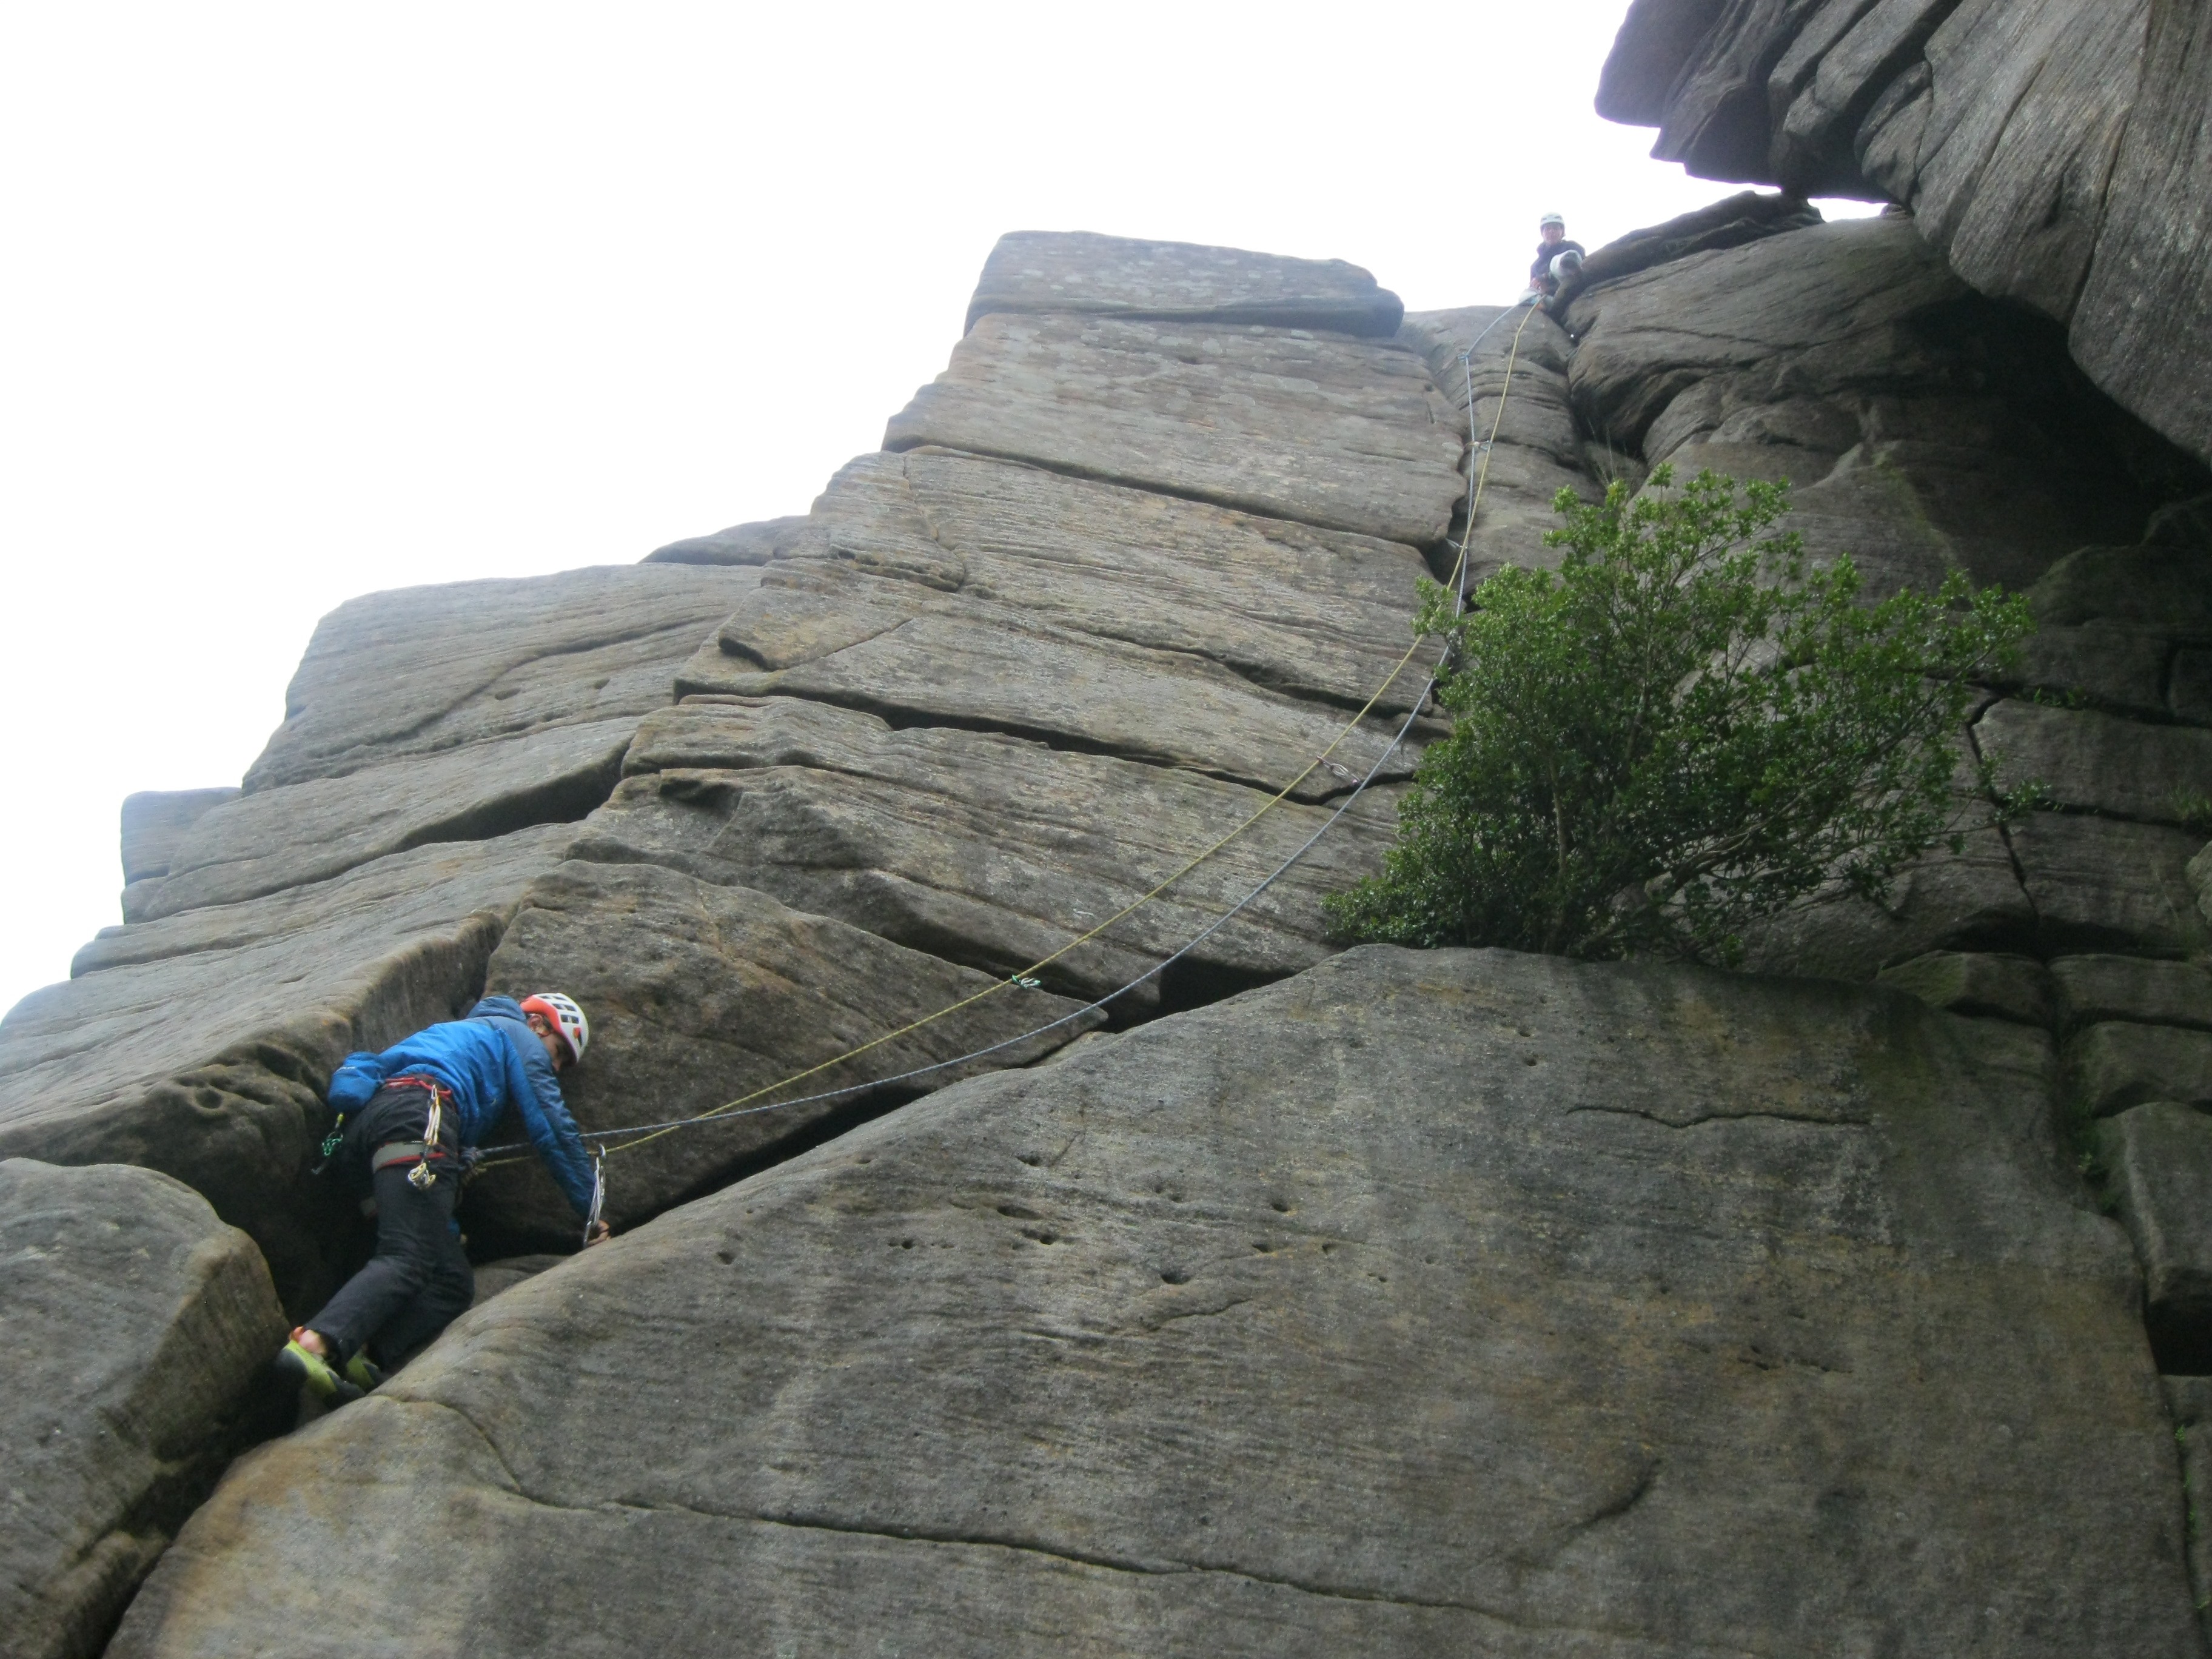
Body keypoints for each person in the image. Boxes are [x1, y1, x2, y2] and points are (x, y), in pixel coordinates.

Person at [275, 991, 608, 1401]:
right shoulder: (513, 1033)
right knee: (407, 1256)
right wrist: (591, 1208)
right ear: (538, 1023)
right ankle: (316, 1341)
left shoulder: (449, 1036)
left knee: (450, 1281)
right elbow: (552, 1128)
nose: (555, 1068)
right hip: (421, 1117)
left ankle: (363, 1351)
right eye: (558, 1053)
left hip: (368, 1140)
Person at [1527, 212, 1586, 298]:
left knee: (1565, 259)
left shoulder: (1573, 248)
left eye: (1555, 228)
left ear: (1562, 231)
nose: (1551, 232)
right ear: (1542, 233)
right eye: (1548, 229)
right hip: (1549, 298)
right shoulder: (1536, 266)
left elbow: (1583, 268)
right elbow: (1534, 288)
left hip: (1572, 290)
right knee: (1525, 296)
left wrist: (1545, 277)